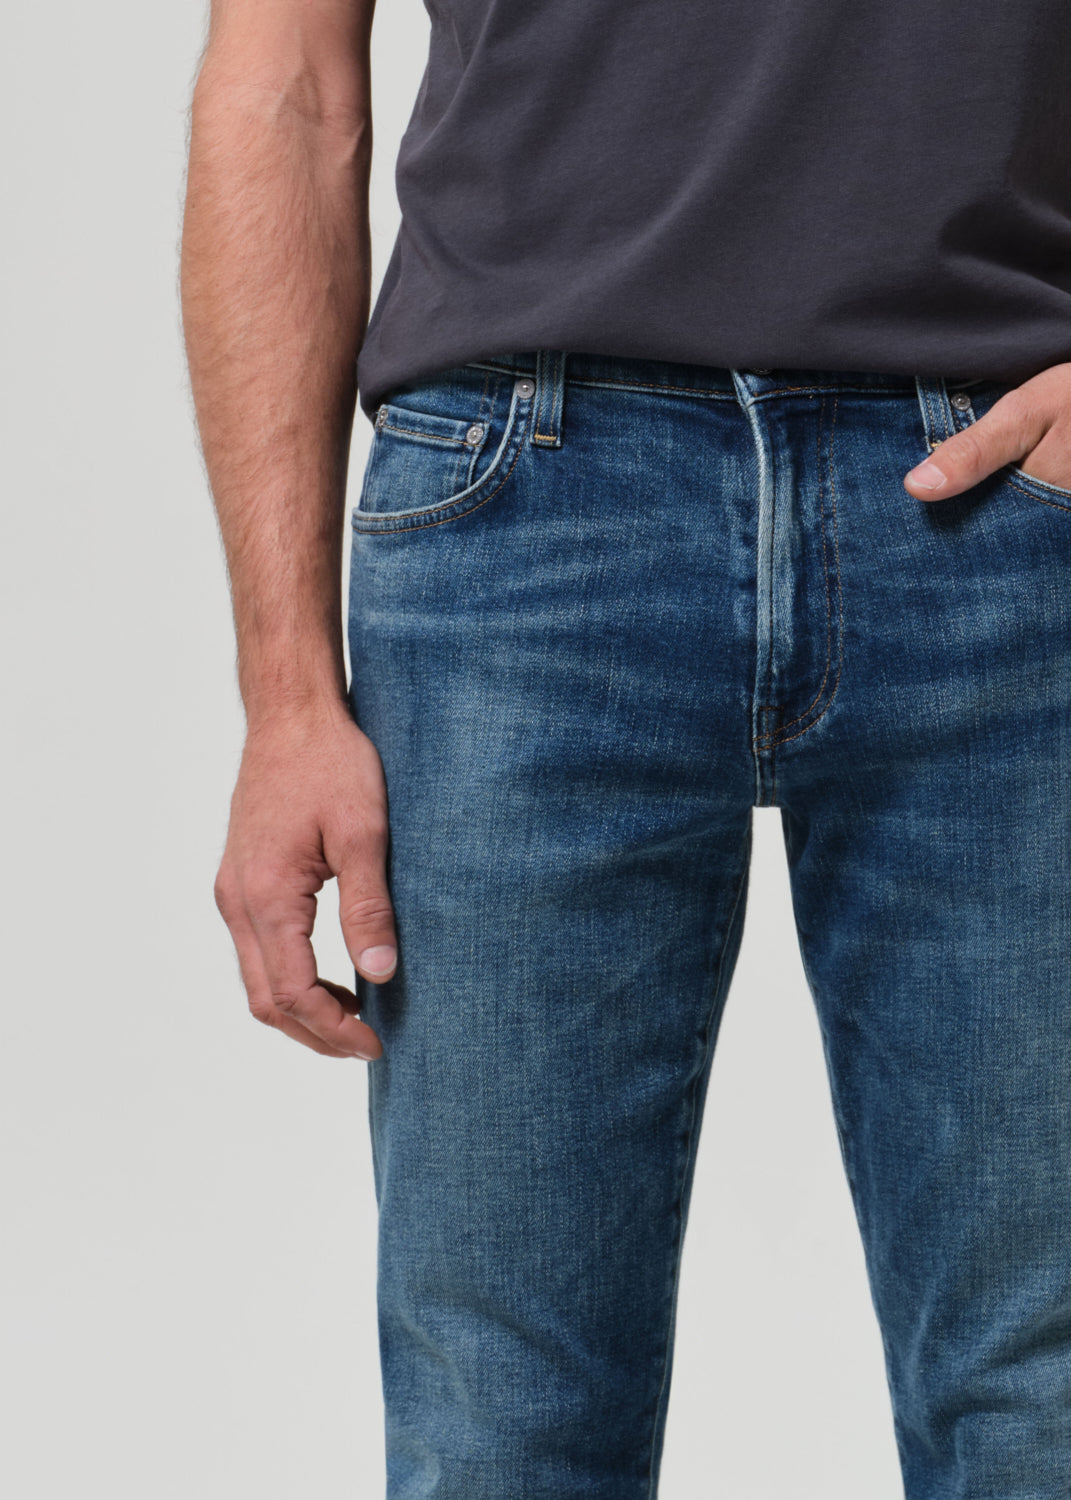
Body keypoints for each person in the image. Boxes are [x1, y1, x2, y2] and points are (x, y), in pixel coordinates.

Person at [180, 0, 1071, 1492]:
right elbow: (288, 82)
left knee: (1046, 1398)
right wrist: (286, 693)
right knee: (503, 1431)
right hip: (520, 513)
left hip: (1008, 503)